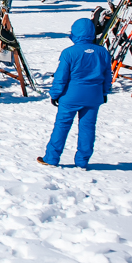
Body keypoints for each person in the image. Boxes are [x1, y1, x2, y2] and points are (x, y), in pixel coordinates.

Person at [38, 18, 112, 170]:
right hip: (93, 96)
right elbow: (107, 76)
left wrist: (55, 94)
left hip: (71, 96)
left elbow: (61, 77)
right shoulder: (102, 52)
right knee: (88, 128)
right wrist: (104, 92)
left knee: (62, 126)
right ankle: (82, 161)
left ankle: (52, 158)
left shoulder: (69, 53)